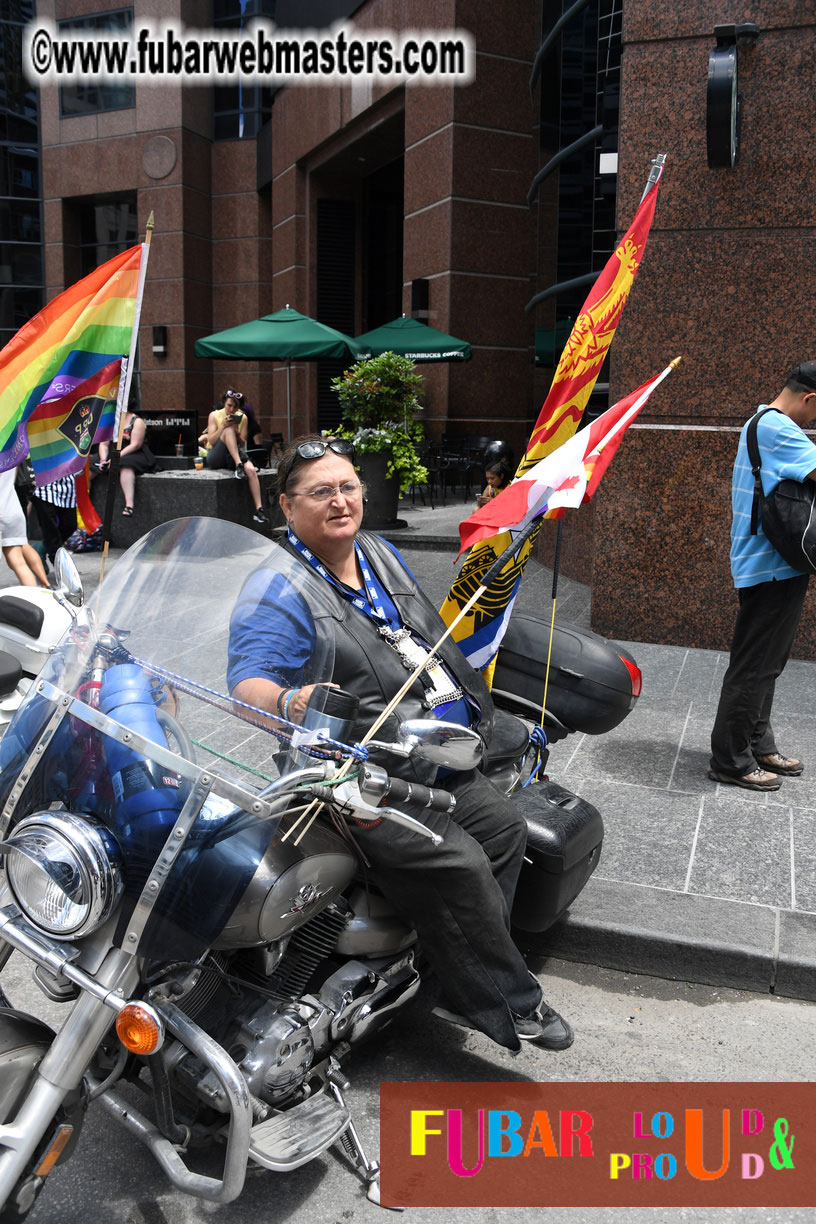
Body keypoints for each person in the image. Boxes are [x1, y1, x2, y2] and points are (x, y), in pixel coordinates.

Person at [227, 434, 573, 1055]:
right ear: (286, 505)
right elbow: (247, 681)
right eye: (321, 492)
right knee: (458, 862)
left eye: (348, 486)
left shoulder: (378, 551)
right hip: (354, 774)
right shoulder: (278, 586)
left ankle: (446, 973)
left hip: (433, 751)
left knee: (504, 833)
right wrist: (290, 702)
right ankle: (504, 1000)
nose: (340, 501)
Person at [709, 361, 816, 791]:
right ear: (810, 397)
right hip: (771, 566)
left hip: (772, 563)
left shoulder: (761, 421)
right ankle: (730, 759)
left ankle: (758, 743)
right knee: (753, 667)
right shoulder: (780, 430)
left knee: (766, 664)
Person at [204, 391, 269, 527]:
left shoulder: (242, 417)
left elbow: (243, 442)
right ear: (224, 403)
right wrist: (224, 426)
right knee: (228, 431)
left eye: (235, 407)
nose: (231, 410)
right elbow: (211, 440)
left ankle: (259, 509)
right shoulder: (214, 415)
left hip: (233, 453)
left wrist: (236, 432)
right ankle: (239, 464)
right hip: (216, 455)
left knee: (251, 470)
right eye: (229, 406)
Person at [97, 407, 157, 515]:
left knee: (125, 465)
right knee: (90, 467)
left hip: (132, 453)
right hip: (112, 452)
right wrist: (103, 459)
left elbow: (135, 445)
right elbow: (104, 444)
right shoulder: (109, 421)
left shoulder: (137, 421)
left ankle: (129, 505)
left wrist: (115, 458)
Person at [0, 466, 49, 587]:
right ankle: (35, 600)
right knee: (19, 564)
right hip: (12, 508)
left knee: (18, 562)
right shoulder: (10, 450)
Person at [30, 473, 77, 566]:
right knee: (50, 528)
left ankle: (41, 547)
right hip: (43, 485)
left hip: (66, 484)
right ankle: (59, 565)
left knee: (70, 525)